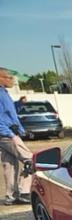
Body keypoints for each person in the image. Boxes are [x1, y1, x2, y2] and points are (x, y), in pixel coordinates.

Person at [0, 68, 32, 205]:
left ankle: (11, 196)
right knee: (31, 160)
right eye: (9, 77)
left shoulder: (4, 93)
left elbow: (7, 111)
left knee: (10, 166)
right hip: (7, 135)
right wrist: (10, 134)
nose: (12, 80)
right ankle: (24, 192)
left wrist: (18, 104)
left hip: (5, 134)